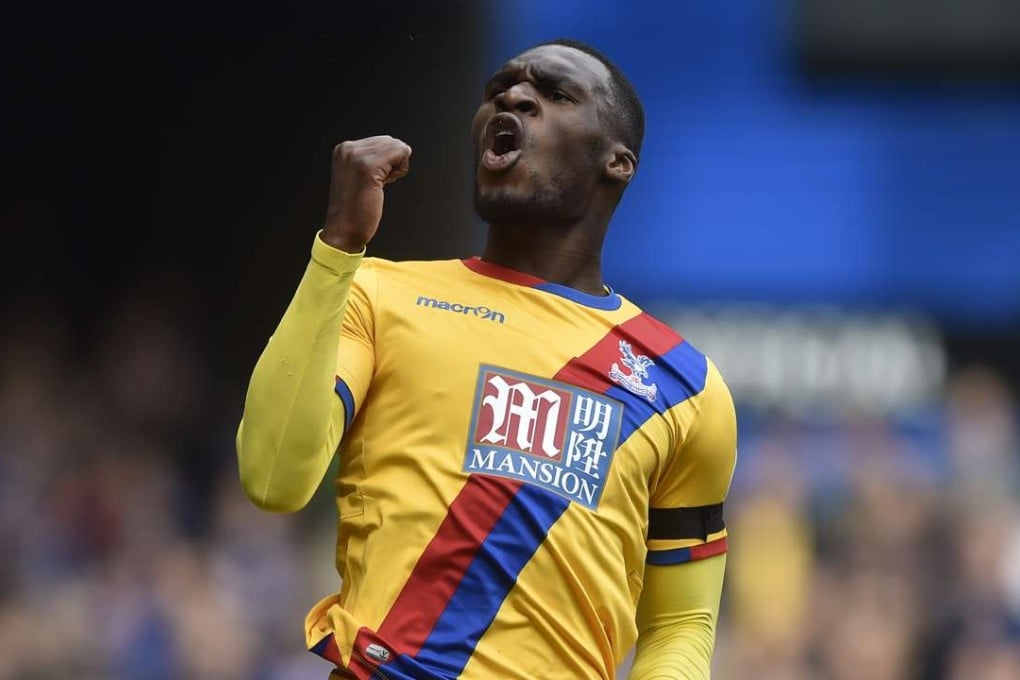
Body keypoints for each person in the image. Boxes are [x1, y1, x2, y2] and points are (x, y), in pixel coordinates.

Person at [236, 38, 737, 680]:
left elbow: (680, 625)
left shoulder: (684, 386)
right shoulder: (377, 294)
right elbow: (274, 478)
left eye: (554, 95)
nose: (513, 96)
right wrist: (338, 246)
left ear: (618, 163)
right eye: (501, 88)